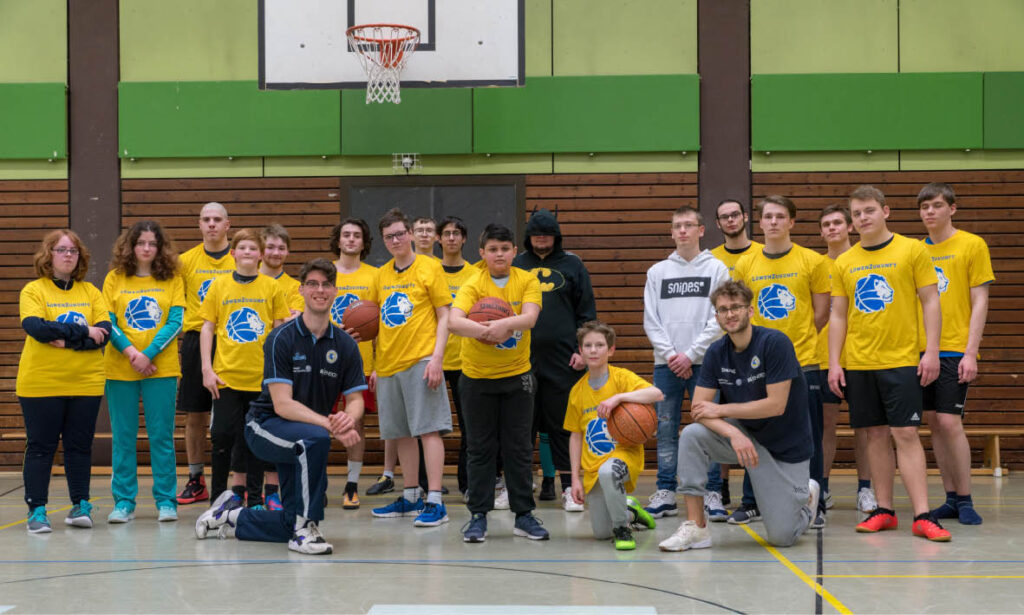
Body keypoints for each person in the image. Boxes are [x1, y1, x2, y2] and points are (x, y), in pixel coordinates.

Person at [195, 258, 366, 555]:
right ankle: (304, 531)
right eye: (312, 284)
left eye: (326, 284)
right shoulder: (280, 338)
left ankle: (232, 516)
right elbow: (283, 404)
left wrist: (347, 421)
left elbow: (355, 400)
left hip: (305, 433)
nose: (320, 290)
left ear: (335, 291)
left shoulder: (345, 344)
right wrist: (329, 424)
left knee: (288, 514)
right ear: (301, 290)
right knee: (316, 440)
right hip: (264, 426)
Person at [828, 185, 950, 542]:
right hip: (860, 363)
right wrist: (836, 363)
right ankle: (884, 510)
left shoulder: (912, 250)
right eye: (857, 213)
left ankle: (924, 515)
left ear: (886, 211)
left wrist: (931, 351)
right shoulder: (845, 262)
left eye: (868, 210)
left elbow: (931, 301)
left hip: (901, 360)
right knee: (874, 436)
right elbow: (838, 315)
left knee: (906, 434)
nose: (862, 218)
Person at [659, 280, 819, 552]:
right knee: (692, 435)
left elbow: (775, 405)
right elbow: (698, 408)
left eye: (736, 307)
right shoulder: (716, 352)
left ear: (751, 310)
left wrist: (721, 411)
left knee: (782, 537)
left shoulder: (775, 343)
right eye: (723, 309)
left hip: (785, 447)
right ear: (716, 316)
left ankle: (807, 499)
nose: (730, 314)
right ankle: (696, 528)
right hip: (745, 436)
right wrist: (732, 432)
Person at [731, 195, 830, 528]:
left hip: (803, 360)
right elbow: (744, 312)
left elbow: (821, 312)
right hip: (756, 364)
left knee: (807, 433)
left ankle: (813, 498)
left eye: (780, 217)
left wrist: (787, 347)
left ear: (792, 222)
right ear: (759, 223)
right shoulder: (746, 264)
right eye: (768, 217)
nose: (773, 222)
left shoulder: (813, 262)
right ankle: (751, 500)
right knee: (754, 429)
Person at [450, 223, 549, 542]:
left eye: (505, 249)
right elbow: (454, 320)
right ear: (482, 253)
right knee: (480, 449)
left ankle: (523, 515)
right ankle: (478, 515)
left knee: (519, 448)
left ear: (514, 252)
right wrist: (484, 332)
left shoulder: (527, 280)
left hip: (517, 377)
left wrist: (499, 325)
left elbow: (530, 318)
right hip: (476, 378)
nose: (499, 254)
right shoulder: (472, 281)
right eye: (492, 249)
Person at [17, 229, 110, 533]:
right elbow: (36, 328)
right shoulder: (34, 290)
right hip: (41, 383)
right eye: (61, 250)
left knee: (79, 447)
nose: (68, 255)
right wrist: (84, 333)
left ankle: (80, 505)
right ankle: (37, 510)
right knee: (41, 447)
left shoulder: (91, 293)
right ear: (49, 255)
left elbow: (105, 333)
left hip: (86, 382)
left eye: (73, 251)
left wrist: (66, 340)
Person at [642, 206, 728, 519]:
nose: (682, 231)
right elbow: (651, 320)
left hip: (706, 363)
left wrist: (690, 355)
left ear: (701, 230)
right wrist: (672, 355)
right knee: (665, 430)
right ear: (672, 231)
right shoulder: (657, 272)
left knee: (710, 427)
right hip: (666, 365)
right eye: (677, 226)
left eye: (688, 225)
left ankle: (712, 493)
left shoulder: (717, 269)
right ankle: (666, 490)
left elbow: (720, 317)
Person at [369, 208, 453, 528]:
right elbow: (378, 322)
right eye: (389, 236)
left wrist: (436, 358)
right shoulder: (381, 275)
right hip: (389, 364)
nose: (396, 240)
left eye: (400, 234)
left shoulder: (430, 267)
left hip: (421, 360)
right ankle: (411, 496)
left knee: (428, 429)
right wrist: (377, 365)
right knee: (401, 433)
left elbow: (444, 315)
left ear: (410, 234)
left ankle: (435, 500)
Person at [917, 182, 994, 525]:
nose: (929, 212)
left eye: (936, 205)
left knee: (949, 421)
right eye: (924, 207)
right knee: (934, 423)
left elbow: (980, 300)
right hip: (920, 351)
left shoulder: (972, 245)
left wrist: (971, 352)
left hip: (953, 350)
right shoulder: (917, 251)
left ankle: (965, 498)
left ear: (952, 208)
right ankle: (949, 497)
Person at [512, 208, 597, 509]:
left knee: (564, 426)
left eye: (547, 235)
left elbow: (587, 313)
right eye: (536, 235)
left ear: (556, 236)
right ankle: (517, 489)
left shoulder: (573, 264)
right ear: (528, 237)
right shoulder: (517, 265)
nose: (541, 240)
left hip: (564, 361)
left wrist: (583, 352)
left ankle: (568, 488)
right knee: (521, 427)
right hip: (521, 359)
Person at [199, 228, 289, 508]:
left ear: (260, 255)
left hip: (260, 379)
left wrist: (278, 373)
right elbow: (208, 326)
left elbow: (279, 330)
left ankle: (255, 497)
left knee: (256, 439)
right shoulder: (219, 286)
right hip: (226, 377)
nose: (248, 252)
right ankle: (217, 497)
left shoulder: (271, 287)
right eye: (243, 248)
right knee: (222, 436)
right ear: (233, 253)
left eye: (253, 248)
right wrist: (206, 368)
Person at [103, 220, 185, 523]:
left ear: (160, 247)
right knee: (123, 437)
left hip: (160, 369)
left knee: (161, 436)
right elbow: (108, 321)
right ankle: (124, 502)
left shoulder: (173, 279)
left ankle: (166, 500)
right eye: (141, 243)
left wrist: (148, 354)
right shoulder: (114, 279)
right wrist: (132, 353)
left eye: (152, 243)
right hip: (119, 367)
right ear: (130, 246)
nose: (147, 248)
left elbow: (176, 320)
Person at [564, 321, 661, 550]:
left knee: (609, 471)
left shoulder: (621, 378)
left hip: (624, 457)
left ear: (611, 350)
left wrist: (618, 398)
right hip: (592, 468)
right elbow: (575, 436)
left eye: (599, 345)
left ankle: (622, 528)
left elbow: (657, 393)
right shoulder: (577, 392)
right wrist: (575, 479)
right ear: (580, 351)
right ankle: (630, 511)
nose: (594, 350)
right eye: (588, 345)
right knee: (599, 533)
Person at [818, 204, 877, 514]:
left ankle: (865, 488)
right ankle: (823, 488)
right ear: (821, 231)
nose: (832, 228)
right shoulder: (815, 265)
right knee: (826, 424)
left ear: (849, 226)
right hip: (825, 359)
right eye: (826, 224)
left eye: (838, 222)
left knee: (865, 427)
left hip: (862, 356)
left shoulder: (865, 261)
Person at [177, 202, 235, 505]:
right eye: (206, 220)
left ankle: (236, 480)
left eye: (217, 220)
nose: (211, 224)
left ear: (228, 225)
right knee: (195, 414)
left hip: (233, 341)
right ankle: (196, 478)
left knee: (233, 413)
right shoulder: (185, 261)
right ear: (199, 225)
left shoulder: (240, 258)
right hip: (196, 339)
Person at [708, 198, 763, 508]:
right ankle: (722, 486)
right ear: (717, 224)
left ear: (744, 217)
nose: (730, 221)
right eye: (724, 217)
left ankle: (753, 493)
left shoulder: (759, 254)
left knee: (750, 421)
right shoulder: (711, 259)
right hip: (723, 353)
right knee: (724, 418)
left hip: (754, 350)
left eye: (735, 215)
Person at [328, 218, 380, 509]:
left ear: (363, 242)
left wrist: (377, 366)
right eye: (345, 235)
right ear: (338, 240)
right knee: (319, 421)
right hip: (324, 359)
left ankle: (351, 484)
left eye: (356, 235)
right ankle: (318, 482)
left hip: (360, 363)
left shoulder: (375, 276)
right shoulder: (326, 272)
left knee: (356, 423)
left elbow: (382, 326)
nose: (350, 239)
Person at [437, 216, 479, 500]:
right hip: (434, 360)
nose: (451, 238)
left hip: (467, 361)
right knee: (429, 428)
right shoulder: (428, 271)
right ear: (439, 239)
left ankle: (468, 483)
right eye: (447, 233)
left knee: (471, 427)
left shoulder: (476, 273)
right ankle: (432, 486)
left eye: (456, 233)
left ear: (464, 239)